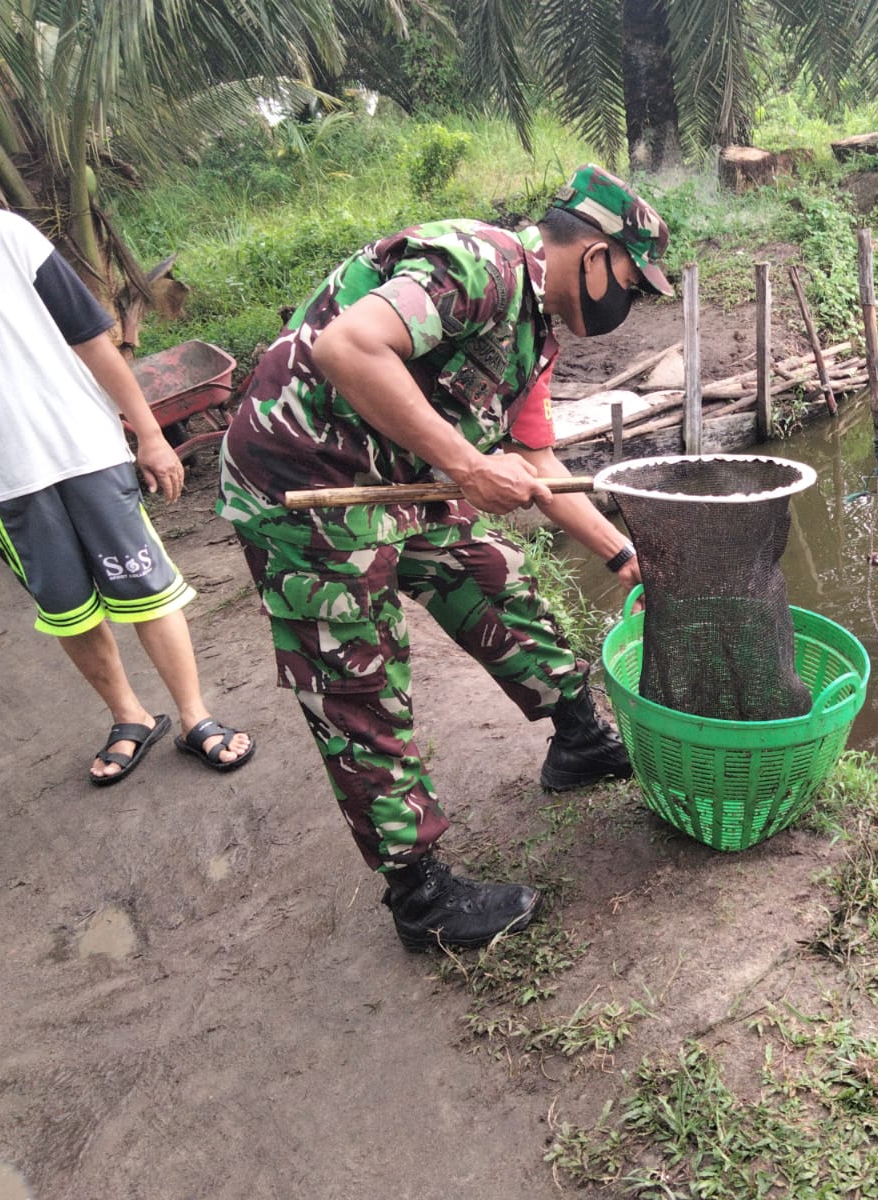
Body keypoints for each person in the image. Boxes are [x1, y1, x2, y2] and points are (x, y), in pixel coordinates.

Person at [217, 164, 671, 952]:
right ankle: (418, 893)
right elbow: (349, 348)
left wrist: (618, 548)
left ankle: (579, 740)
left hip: (399, 474)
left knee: (498, 579)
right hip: (305, 478)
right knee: (356, 672)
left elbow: (534, 465)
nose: (630, 303)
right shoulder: (479, 263)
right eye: (634, 280)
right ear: (596, 255)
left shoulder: (540, 336)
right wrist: (464, 465)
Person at [0, 204, 255, 785]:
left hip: (85, 450)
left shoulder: (3, 234)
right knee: (66, 609)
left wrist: (150, 434)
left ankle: (194, 717)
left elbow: (92, 341)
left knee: (146, 587)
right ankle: (129, 717)